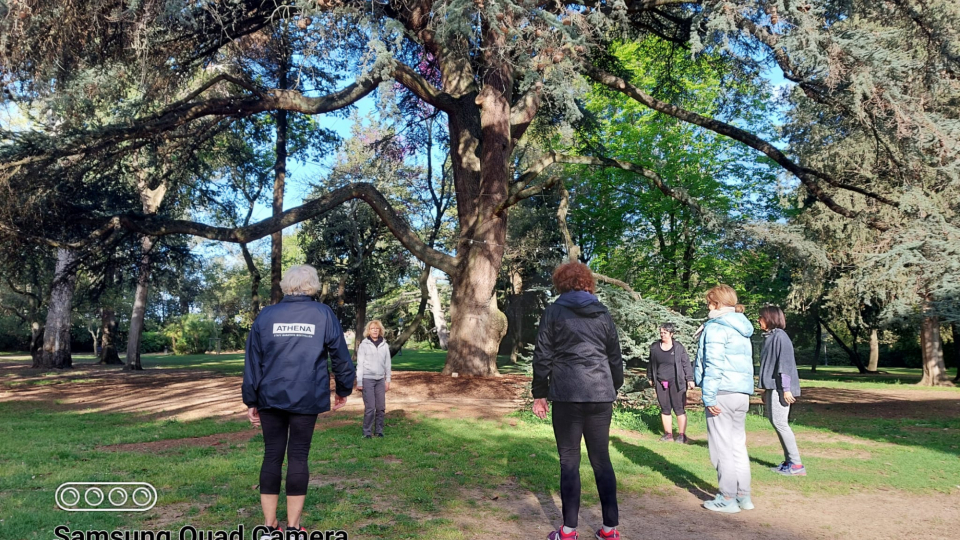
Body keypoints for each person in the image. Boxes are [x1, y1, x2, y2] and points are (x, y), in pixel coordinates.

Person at [242, 265, 356, 537]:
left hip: (270, 395)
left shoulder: (267, 315)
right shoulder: (323, 314)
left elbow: (252, 361)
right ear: (312, 285)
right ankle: (292, 528)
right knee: (298, 456)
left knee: (272, 456)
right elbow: (340, 357)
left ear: (286, 284)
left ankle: (269, 527)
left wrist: (251, 399)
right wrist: (343, 389)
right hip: (307, 395)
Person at [532, 261, 624, 540]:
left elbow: (542, 355)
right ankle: (609, 530)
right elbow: (615, 356)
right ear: (587, 283)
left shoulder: (553, 312)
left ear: (560, 283)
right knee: (601, 461)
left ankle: (568, 531)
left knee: (569, 460)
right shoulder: (602, 313)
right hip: (599, 393)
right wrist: (613, 387)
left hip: (567, 394)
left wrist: (539, 394)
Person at [694, 284, 755, 514]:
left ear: (716, 304)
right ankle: (743, 496)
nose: (707, 306)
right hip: (741, 393)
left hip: (722, 393)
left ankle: (727, 498)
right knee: (738, 445)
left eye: (709, 302)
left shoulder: (717, 327)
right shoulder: (742, 327)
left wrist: (708, 398)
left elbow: (713, 366)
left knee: (721, 448)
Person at [758, 305, 805, 476]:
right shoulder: (770, 337)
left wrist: (786, 389)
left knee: (781, 423)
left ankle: (797, 465)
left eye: (761, 317)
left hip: (781, 388)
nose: (759, 320)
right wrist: (765, 389)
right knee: (776, 422)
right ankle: (789, 461)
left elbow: (784, 364)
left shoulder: (780, 337)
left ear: (770, 318)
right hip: (773, 387)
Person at [647, 323, 695, 443]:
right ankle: (668, 434)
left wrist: (690, 379)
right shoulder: (655, 347)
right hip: (660, 381)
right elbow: (651, 363)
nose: (662, 334)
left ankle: (682, 435)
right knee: (665, 408)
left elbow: (686, 363)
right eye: (661, 332)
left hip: (677, 382)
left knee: (679, 408)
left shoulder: (678, 347)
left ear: (671, 334)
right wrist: (650, 377)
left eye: (665, 332)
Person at [356, 319, 391, 439]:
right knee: (370, 407)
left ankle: (379, 431)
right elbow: (360, 364)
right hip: (367, 380)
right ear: (368, 331)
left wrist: (388, 380)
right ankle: (367, 432)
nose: (375, 330)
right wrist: (360, 382)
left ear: (380, 330)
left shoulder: (385, 345)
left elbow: (388, 364)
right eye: (372, 328)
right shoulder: (364, 345)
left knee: (381, 407)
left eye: (377, 328)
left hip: (380, 380)